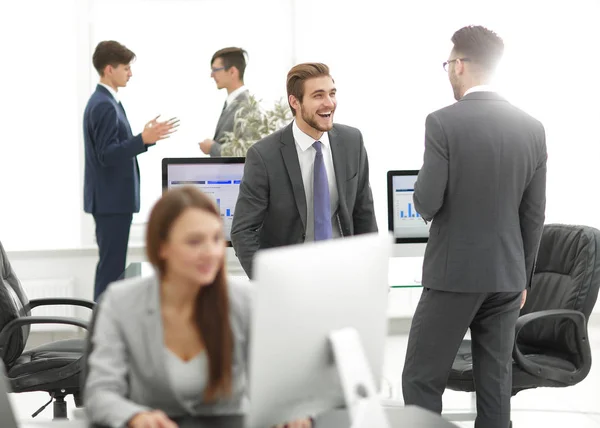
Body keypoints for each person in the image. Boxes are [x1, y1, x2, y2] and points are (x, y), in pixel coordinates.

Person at [401, 26, 547, 428]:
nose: (448, 71)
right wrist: (522, 278)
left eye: (448, 64)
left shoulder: (443, 123)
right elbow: (533, 215)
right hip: (506, 277)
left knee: (420, 380)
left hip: (453, 276)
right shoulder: (532, 128)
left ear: (460, 65)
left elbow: (427, 201)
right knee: (495, 386)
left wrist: (419, 193)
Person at [84, 186, 311, 428]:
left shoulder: (246, 301)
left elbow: (277, 385)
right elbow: (100, 393)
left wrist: (292, 412)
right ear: (162, 247)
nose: (211, 253)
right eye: (194, 242)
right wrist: (135, 417)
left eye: (215, 239)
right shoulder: (121, 302)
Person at [231, 62, 377, 278]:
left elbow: (364, 214)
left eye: (332, 93)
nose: (329, 103)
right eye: (318, 95)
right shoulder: (264, 156)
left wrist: (372, 274)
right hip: (289, 278)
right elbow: (243, 231)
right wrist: (269, 283)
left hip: (344, 273)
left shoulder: (352, 142)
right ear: (294, 101)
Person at [83, 40, 179, 300]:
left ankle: (104, 328)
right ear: (108, 69)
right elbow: (107, 154)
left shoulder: (107, 101)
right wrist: (143, 139)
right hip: (111, 202)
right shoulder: (103, 104)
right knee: (111, 269)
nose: (130, 73)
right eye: (126, 68)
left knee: (111, 266)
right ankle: (103, 331)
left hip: (110, 201)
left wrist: (143, 139)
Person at [199, 47, 250, 157]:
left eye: (215, 70)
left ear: (232, 71)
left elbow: (245, 151)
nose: (212, 75)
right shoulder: (232, 103)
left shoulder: (246, 106)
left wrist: (212, 147)